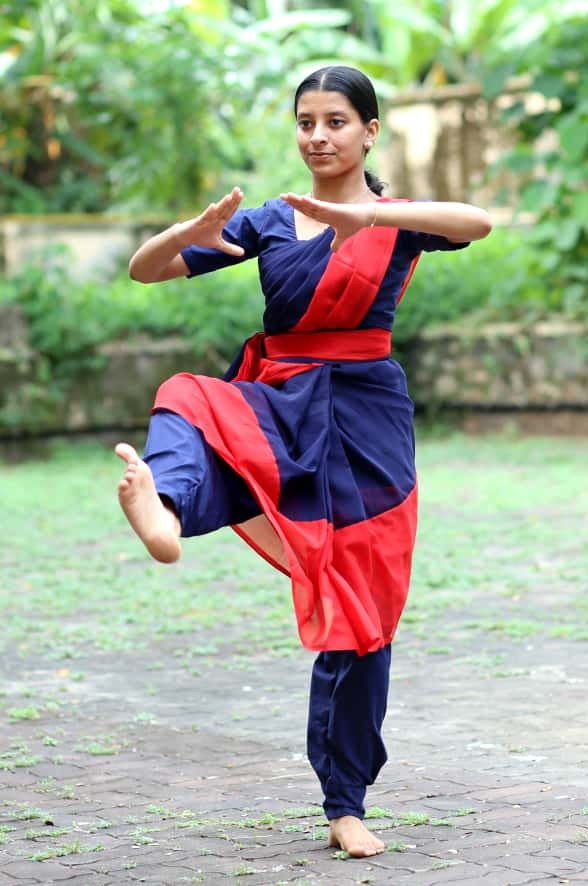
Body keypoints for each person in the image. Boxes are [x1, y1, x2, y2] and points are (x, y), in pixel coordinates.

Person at [115, 65, 492, 857]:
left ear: (368, 131)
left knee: (364, 608)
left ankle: (345, 802)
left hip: (366, 420)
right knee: (189, 399)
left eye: (335, 121)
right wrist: (193, 229)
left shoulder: (397, 220)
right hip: (282, 398)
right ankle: (167, 512)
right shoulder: (272, 221)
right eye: (305, 122)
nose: (317, 136)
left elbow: (477, 221)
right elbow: (144, 269)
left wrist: (368, 215)